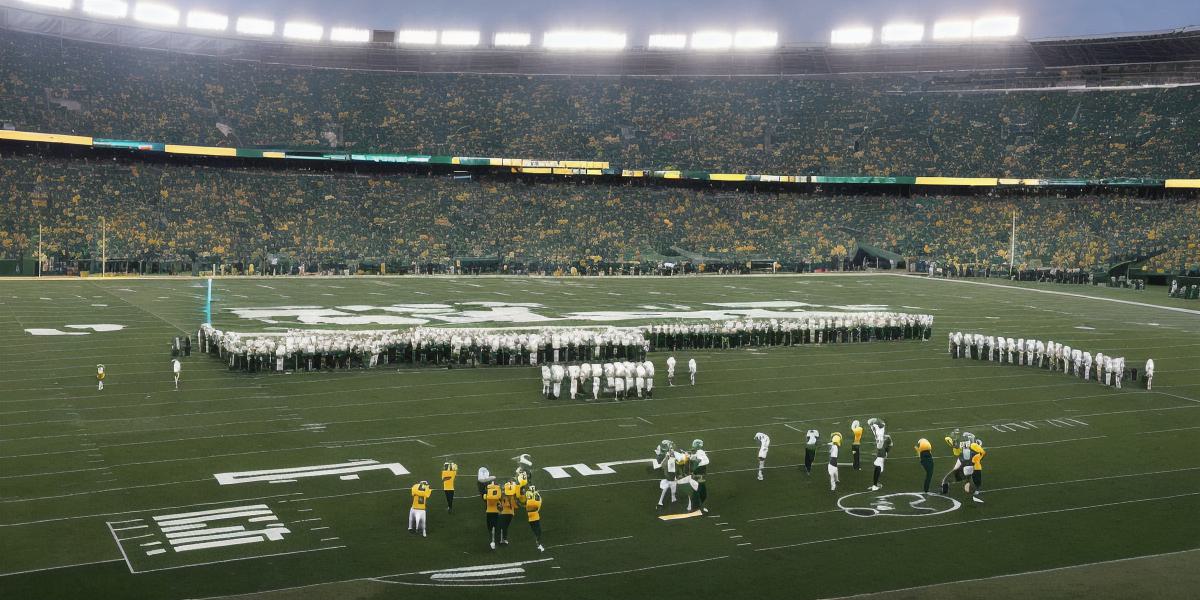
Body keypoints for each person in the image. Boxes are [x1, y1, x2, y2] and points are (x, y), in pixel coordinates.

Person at [867, 418, 890, 491]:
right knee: (879, 466)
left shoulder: (875, 429)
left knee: (879, 466)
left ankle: (875, 484)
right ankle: (875, 485)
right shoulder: (879, 430)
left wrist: (872, 422)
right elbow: (881, 424)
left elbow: (877, 424)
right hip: (880, 448)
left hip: (879, 447)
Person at [655, 440, 679, 507]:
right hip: (670, 478)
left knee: (667, 490)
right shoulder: (669, 460)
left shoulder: (667, 452)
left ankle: (662, 501)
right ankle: (670, 499)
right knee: (671, 490)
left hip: (668, 477)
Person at [689, 439, 709, 513]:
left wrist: (700, 459)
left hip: (701, 476)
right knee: (697, 493)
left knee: (703, 494)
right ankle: (694, 509)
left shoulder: (699, 452)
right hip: (697, 476)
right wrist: (698, 460)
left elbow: (706, 461)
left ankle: (699, 507)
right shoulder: (695, 454)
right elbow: (706, 461)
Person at [497, 479, 519, 545]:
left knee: (501, 526)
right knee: (505, 527)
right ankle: (504, 540)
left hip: (505, 513)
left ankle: (502, 539)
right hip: (510, 514)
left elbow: (504, 504)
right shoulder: (512, 496)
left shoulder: (505, 496)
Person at [524, 485, 545, 552]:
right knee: (538, 531)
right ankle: (538, 543)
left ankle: (538, 542)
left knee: (536, 531)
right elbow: (540, 501)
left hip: (531, 518)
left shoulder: (528, 499)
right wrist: (536, 493)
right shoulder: (536, 501)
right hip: (535, 517)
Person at [484, 479, 502, 549]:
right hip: (495, 512)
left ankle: (493, 540)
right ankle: (497, 540)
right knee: (496, 526)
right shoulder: (497, 496)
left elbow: (484, 496)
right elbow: (500, 505)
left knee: (490, 527)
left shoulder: (487, 495)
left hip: (489, 512)